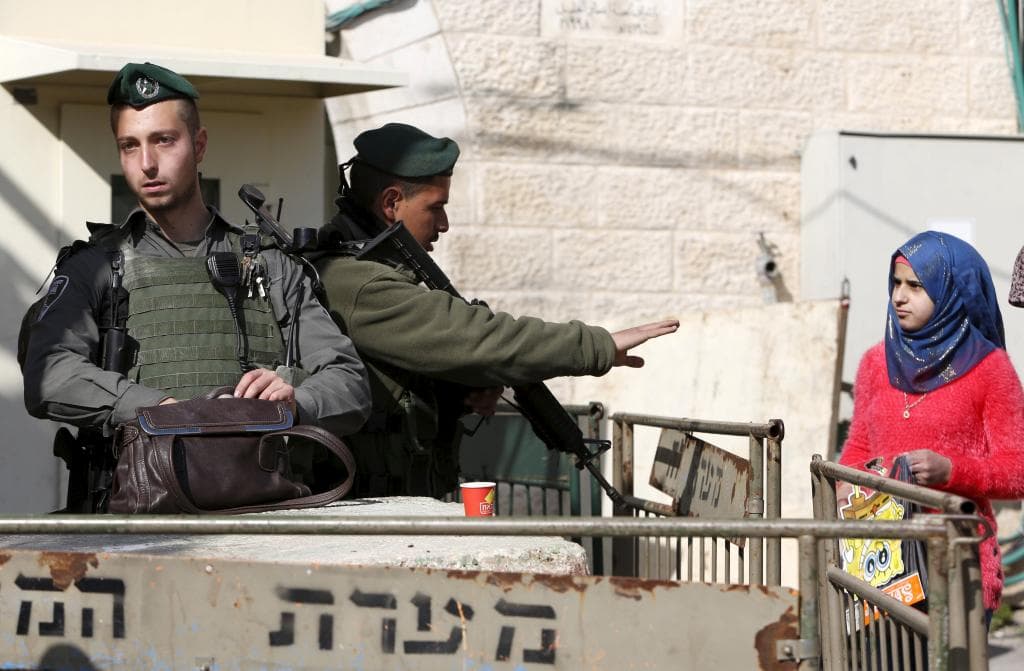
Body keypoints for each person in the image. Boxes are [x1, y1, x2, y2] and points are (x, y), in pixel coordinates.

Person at [21, 63, 372, 506]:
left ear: (199, 144)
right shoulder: (96, 268)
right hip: (142, 522)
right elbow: (48, 376)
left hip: (262, 514)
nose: (147, 163)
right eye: (130, 146)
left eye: (164, 140)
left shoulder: (270, 265)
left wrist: (293, 399)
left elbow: (350, 383)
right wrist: (159, 411)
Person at [314, 122, 680, 498]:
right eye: (435, 207)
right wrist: (596, 346)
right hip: (364, 511)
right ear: (391, 203)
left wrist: (458, 392)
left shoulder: (366, 271)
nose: (444, 224)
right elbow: (476, 337)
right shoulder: (359, 282)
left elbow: (389, 383)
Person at [839, 231, 1024, 617]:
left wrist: (951, 470)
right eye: (896, 283)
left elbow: (1017, 468)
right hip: (881, 567)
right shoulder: (876, 363)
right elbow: (860, 446)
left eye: (916, 286)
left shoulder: (990, 369)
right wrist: (845, 483)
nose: (898, 297)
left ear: (950, 293)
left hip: (956, 565)